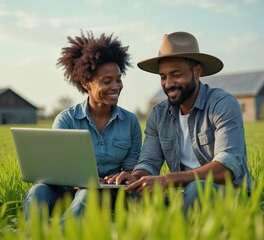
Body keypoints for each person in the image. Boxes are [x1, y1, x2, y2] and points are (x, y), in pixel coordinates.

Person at [107, 31, 252, 214]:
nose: (168, 84)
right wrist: (135, 177)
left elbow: (226, 168)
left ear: (197, 71)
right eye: (163, 77)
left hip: (230, 196)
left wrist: (168, 180)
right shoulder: (159, 114)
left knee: (196, 189)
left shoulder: (222, 104)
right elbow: (149, 163)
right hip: (184, 197)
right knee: (134, 193)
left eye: (176, 75)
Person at [23, 31, 142, 220]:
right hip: (70, 191)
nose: (116, 86)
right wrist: (74, 182)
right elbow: (56, 169)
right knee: (37, 192)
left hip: (113, 194)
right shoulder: (66, 120)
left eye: (118, 79)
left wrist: (125, 174)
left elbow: (132, 167)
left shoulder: (130, 122)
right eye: (107, 81)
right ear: (87, 84)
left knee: (88, 193)